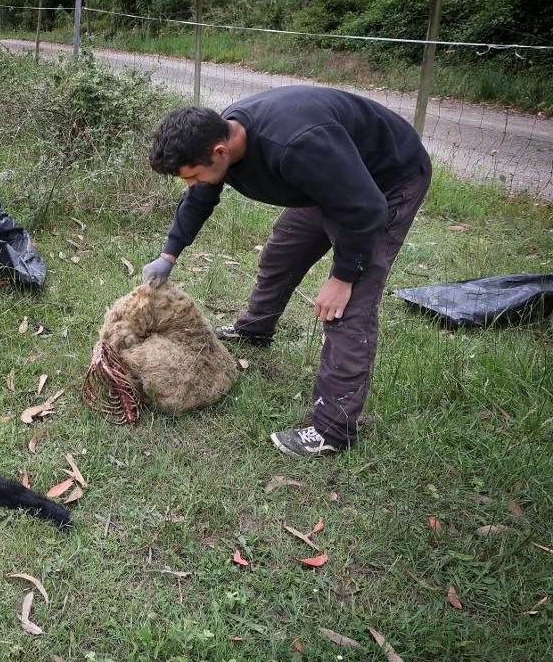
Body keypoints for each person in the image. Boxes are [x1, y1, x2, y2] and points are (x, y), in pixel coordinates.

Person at [142, 86, 431, 456]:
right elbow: (200, 196)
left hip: (385, 182)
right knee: (282, 251)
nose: (191, 184)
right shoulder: (220, 138)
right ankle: (255, 329)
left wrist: (343, 277)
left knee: (348, 306)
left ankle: (332, 431)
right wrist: (169, 255)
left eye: (193, 175)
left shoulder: (295, 145)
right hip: (330, 179)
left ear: (219, 152)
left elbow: (366, 209)